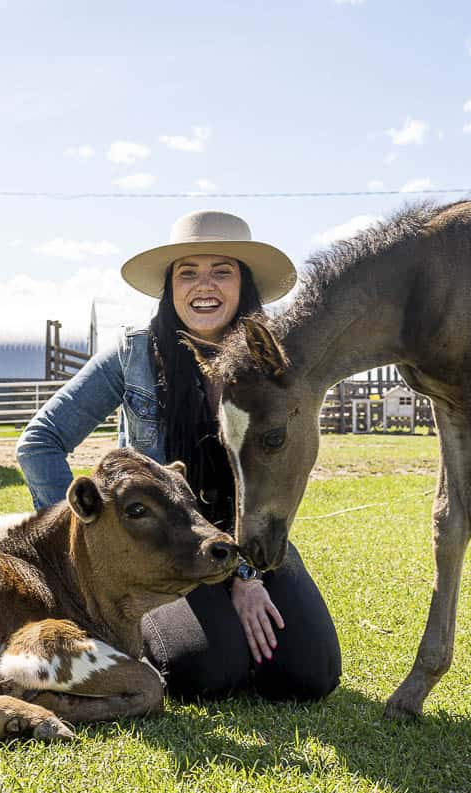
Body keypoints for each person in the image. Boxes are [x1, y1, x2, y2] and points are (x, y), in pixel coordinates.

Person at [17, 210, 340, 701]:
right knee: (207, 675)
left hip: (250, 540)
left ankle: (232, 610)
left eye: (221, 271)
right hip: (162, 544)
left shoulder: (278, 367)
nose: (203, 285)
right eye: (187, 272)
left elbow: (280, 476)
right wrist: (91, 536)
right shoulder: (135, 355)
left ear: (244, 285)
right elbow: (40, 440)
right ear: (170, 287)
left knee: (310, 677)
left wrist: (246, 575)